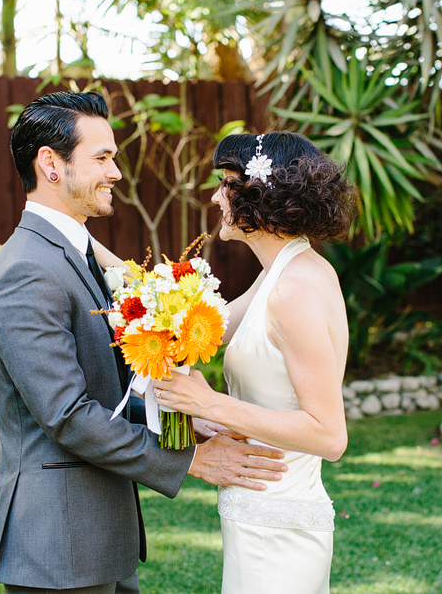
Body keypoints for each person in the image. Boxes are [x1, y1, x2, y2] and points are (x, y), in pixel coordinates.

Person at [0, 91, 288, 594]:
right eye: (101, 158)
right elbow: (68, 416)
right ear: (51, 164)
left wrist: (187, 425)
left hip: (97, 540)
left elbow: (111, 388)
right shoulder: (28, 272)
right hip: (59, 550)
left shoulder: (73, 252)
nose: (116, 172)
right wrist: (190, 460)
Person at [151, 132, 355, 594]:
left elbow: (329, 434)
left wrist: (209, 404)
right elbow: (206, 329)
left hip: (279, 529)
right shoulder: (280, 273)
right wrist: (123, 283)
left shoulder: (294, 290)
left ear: (261, 192)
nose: (215, 196)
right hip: (258, 515)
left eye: (226, 182)